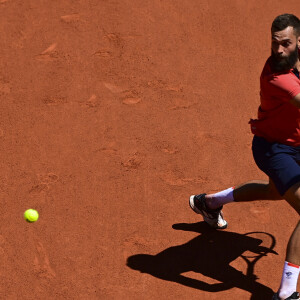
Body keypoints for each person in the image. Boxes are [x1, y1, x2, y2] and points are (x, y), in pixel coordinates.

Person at [189, 13, 300, 300]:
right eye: (274, 43)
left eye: (286, 43)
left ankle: (209, 202)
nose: (278, 50)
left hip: (292, 146)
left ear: (298, 42)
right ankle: (287, 292)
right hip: (274, 150)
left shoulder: (289, 65)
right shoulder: (279, 78)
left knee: (273, 192)